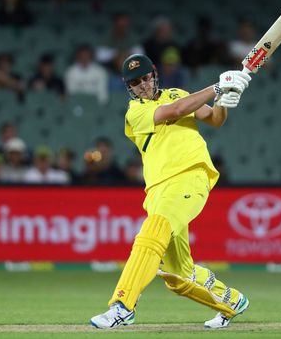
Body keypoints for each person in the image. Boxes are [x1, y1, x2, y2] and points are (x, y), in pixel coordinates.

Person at [90, 54, 251, 329]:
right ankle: (231, 300)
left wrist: (223, 102)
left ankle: (122, 306)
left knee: (152, 233)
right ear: (129, 86)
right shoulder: (135, 112)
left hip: (190, 178)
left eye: (145, 78)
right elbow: (174, 111)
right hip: (158, 190)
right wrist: (217, 88)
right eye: (135, 82)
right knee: (178, 275)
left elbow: (213, 119)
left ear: (154, 74)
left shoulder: (179, 93)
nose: (142, 85)